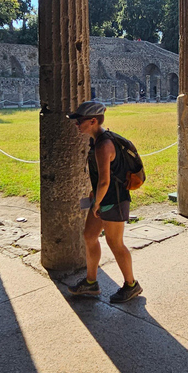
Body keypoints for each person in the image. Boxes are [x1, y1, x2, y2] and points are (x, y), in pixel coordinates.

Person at [67, 101, 142, 303]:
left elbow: (105, 180)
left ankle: (131, 285)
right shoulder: (98, 140)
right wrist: (95, 200)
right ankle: (91, 283)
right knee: (90, 236)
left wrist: (96, 204)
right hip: (102, 199)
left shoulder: (103, 145)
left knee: (115, 243)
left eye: (79, 121)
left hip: (114, 200)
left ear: (92, 121)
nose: (76, 125)